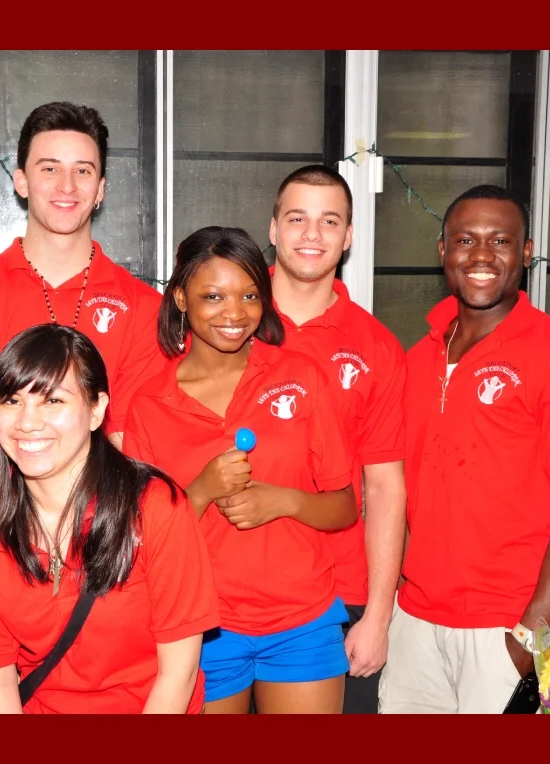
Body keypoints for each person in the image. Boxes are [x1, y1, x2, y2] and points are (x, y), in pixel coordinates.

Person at [378, 185, 550, 714]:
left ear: (526, 252)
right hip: (413, 623)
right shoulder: (415, 360)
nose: (481, 255)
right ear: (443, 250)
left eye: (500, 240)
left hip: (505, 633)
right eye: (466, 240)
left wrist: (528, 640)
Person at [123, 226, 359, 714]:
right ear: (181, 298)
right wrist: (201, 490)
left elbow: (344, 508)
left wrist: (285, 501)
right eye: (213, 296)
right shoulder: (149, 404)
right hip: (201, 627)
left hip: (303, 622)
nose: (235, 313)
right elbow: (141, 544)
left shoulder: (301, 375)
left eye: (250, 295)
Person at [0, 324, 219, 714]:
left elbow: (178, 675)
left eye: (53, 400)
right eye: (12, 400)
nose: (27, 422)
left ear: (96, 410)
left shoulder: (154, 507)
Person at [0, 101, 166, 481]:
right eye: (50, 169)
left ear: (100, 189)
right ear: (21, 181)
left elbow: (125, 447)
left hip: (102, 512)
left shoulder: (145, 308)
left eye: (83, 171)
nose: (67, 186)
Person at [268, 165, 407, 714]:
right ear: (273, 229)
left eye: (329, 221)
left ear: (348, 237)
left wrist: (378, 615)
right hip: (227, 595)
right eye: (296, 218)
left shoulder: (376, 347)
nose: (312, 234)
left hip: (340, 595)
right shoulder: (226, 323)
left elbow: (386, 486)